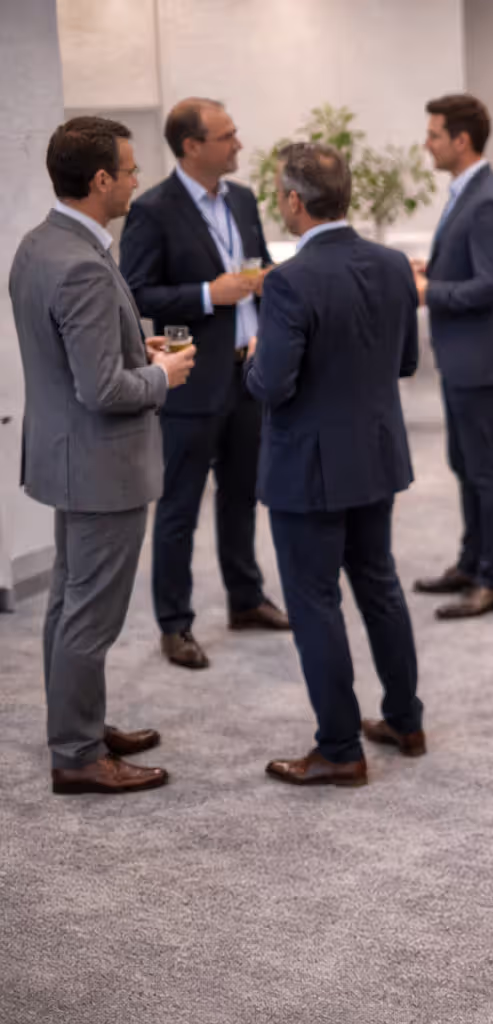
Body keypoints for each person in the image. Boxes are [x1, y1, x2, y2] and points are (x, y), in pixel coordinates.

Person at [10, 116, 196, 794]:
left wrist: (131, 351)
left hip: (65, 458)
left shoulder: (39, 245)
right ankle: (79, 756)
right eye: (129, 170)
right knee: (91, 617)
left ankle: (76, 726)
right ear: (99, 181)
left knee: (65, 605)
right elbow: (103, 389)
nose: (137, 180)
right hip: (102, 466)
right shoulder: (84, 266)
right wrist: (160, 376)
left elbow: (70, 362)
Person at [245, 143, 424, 788]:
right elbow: (406, 363)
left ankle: (340, 747)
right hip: (375, 455)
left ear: (295, 201)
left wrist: (255, 355)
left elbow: (271, 385)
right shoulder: (393, 264)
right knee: (379, 583)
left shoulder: (289, 280)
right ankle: (406, 719)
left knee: (315, 601)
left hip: (307, 470)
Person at [120, 97, 289, 672]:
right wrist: (204, 295)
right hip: (191, 379)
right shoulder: (153, 209)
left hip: (248, 371)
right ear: (192, 146)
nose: (239, 144)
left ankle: (246, 599)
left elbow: (256, 261)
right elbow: (137, 293)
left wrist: (262, 293)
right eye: (227, 135)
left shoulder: (241, 199)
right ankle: (175, 624)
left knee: (243, 494)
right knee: (179, 508)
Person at [411, 94, 493, 619]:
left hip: (478, 355)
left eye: (434, 135)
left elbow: (490, 287)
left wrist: (427, 290)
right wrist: (433, 269)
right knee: (464, 461)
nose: (427, 143)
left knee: (483, 466)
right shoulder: (470, 192)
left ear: (461, 141)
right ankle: (471, 560)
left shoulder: (488, 201)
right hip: (462, 352)